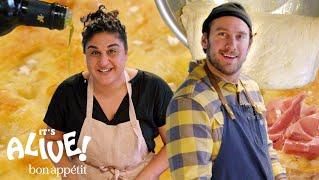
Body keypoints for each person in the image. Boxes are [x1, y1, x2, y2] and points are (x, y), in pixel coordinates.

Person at [43, 5, 172, 180]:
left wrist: (147, 177)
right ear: (85, 55)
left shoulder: (153, 89)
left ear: (125, 53)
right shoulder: (68, 92)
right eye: (94, 52)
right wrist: (70, 176)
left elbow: (174, 142)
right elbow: (51, 140)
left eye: (112, 51)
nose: (103, 62)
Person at [166, 2, 287, 180]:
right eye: (222, 34)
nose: (231, 45)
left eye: (240, 36)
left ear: (250, 43)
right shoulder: (191, 102)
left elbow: (265, 150)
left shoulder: (250, 87)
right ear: (204, 40)